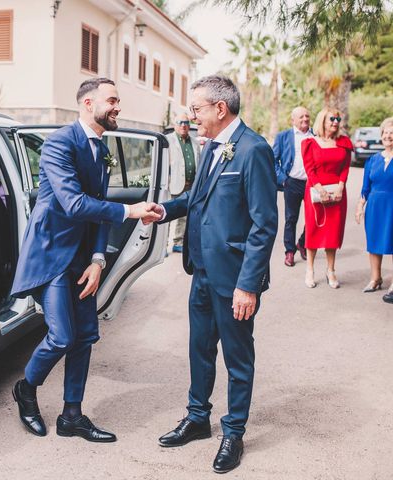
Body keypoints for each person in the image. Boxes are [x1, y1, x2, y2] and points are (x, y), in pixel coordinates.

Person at [10, 77, 160, 442]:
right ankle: (25, 390)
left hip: (82, 258)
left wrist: (98, 258)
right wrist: (130, 209)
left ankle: (72, 416)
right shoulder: (60, 143)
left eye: (118, 100)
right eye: (112, 100)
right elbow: (75, 204)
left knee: (85, 338)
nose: (118, 107)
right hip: (53, 254)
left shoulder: (100, 149)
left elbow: (97, 214)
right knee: (62, 336)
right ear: (88, 104)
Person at [149, 75, 277, 474]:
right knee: (199, 350)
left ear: (220, 109)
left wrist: (248, 285)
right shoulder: (210, 148)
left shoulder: (253, 150)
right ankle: (197, 418)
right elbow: (196, 198)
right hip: (201, 272)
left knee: (238, 358)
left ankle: (233, 432)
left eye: (197, 108)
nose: (191, 116)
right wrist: (165, 210)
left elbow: (264, 225)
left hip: (235, 279)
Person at [301, 108, 353, 288]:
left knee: (333, 231)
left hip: (338, 192)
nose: (336, 122)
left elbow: (345, 167)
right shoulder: (310, 142)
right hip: (316, 192)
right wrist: (320, 190)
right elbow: (310, 169)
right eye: (332, 118)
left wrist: (341, 186)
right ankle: (310, 270)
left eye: (338, 118)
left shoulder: (344, 142)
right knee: (314, 230)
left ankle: (331, 270)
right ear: (322, 120)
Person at [355, 117, 393, 304]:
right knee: (374, 243)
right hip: (375, 207)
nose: (389, 136)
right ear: (381, 136)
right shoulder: (372, 160)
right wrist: (360, 207)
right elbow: (365, 188)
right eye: (386, 132)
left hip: (392, 205)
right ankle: (375, 278)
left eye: (392, 133)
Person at [273, 106, 313, 266]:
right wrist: (283, 179)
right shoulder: (283, 136)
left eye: (307, 116)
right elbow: (273, 160)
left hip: (311, 183)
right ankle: (289, 251)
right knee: (291, 218)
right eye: (301, 117)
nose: (305, 119)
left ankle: (302, 243)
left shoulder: (315, 136)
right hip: (291, 182)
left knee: (312, 219)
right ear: (293, 120)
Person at [166, 113, 201, 253]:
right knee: (167, 214)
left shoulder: (195, 142)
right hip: (172, 185)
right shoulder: (167, 140)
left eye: (186, 122)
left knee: (184, 216)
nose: (183, 125)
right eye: (180, 122)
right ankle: (162, 246)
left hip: (190, 185)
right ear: (175, 124)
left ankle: (178, 242)